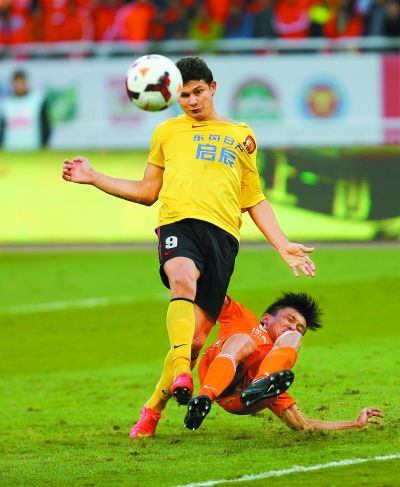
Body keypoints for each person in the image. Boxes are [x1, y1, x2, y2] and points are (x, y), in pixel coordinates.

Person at [62, 56, 316, 435]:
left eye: (198, 92)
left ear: (213, 88)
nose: (192, 101)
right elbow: (148, 192)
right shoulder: (167, 132)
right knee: (181, 278)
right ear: (173, 97)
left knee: (194, 341)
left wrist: (281, 244)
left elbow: (253, 198)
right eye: (184, 95)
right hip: (178, 223)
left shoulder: (242, 135)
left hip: (223, 239)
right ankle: (182, 370)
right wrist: (94, 177)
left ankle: (152, 409)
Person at [183, 292, 383, 432]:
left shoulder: (276, 371)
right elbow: (214, 293)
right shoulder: (243, 319)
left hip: (241, 399)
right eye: (289, 319)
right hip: (216, 372)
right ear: (266, 318)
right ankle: (204, 398)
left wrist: (356, 423)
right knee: (244, 340)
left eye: (300, 327)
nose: (293, 327)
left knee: (291, 342)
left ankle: (258, 385)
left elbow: (302, 425)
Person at [0, 70, 51, 151]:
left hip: (34, 148)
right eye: (16, 83)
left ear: (26, 82)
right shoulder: (5, 104)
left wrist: (43, 145)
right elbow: (2, 127)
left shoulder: (37, 101)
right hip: (9, 149)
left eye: (21, 82)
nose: (19, 86)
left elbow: (46, 126)